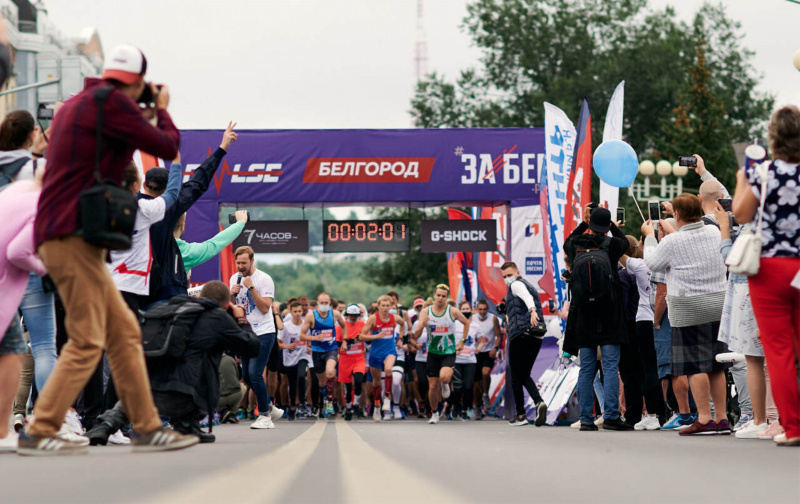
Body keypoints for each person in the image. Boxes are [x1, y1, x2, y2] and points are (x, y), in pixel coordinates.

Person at [24, 44, 197, 455]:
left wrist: (142, 109)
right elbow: (168, 145)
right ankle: (42, 427)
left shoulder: (76, 106)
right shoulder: (113, 105)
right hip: (74, 237)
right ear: (136, 81)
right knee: (87, 340)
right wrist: (163, 107)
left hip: (62, 233)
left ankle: (148, 426)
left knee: (122, 333)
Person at [85, 281, 260, 444]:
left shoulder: (171, 308)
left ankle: (105, 424)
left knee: (136, 400)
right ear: (226, 304)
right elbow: (251, 348)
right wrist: (240, 319)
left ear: (200, 297)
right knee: (204, 370)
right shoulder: (218, 316)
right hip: (188, 395)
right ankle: (188, 424)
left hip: (149, 386)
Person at [732, 105, 800, 447]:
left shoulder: (766, 173)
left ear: (774, 137)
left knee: (779, 350)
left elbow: (742, 213)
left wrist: (742, 177)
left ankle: (794, 427)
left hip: (771, 266)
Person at [643, 194, 730, 436]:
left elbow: (651, 263)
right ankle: (722, 418)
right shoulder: (714, 232)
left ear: (677, 215)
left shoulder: (672, 242)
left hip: (687, 306)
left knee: (694, 365)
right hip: (717, 302)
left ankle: (703, 418)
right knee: (716, 363)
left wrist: (650, 238)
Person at [144, 121, 238, 305]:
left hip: (132, 291)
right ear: (167, 190)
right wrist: (221, 149)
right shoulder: (166, 209)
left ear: (143, 185)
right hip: (166, 295)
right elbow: (197, 183)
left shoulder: (129, 208)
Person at [563, 206, 632, 431]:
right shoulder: (611, 245)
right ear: (607, 226)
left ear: (591, 225)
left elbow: (568, 240)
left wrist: (586, 222)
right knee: (611, 366)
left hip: (583, 314)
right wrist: (610, 225)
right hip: (609, 312)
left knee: (587, 369)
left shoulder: (576, 245)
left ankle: (586, 419)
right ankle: (611, 416)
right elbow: (626, 242)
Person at [0, 171, 50, 452]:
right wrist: (45, 267)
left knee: (14, 349)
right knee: (16, 350)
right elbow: (18, 251)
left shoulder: (16, 189)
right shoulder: (39, 205)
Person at [713, 204, 769, 439]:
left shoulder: (757, 224)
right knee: (755, 358)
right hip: (752, 291)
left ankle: (762, 419)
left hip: (752, 291)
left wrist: (725, 229)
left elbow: (733, 259)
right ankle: (762, 418)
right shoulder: (761, 222)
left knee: (756, 359)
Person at [229, 245, 282, 429]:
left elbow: (265, 308)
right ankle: (269, 406)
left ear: (252, 261)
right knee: (246, 376)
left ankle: (265, 416)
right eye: (238, 263)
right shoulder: (233, 279)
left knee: (255, 373)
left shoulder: (264, 279)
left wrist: (250, 287)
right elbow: (233, 308)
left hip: (264, 331)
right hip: (245, 332)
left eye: (244, 263)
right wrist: (232, 296)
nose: (241, 267)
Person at [619, 237, 665, 430]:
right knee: (662, 368)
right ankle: (666, 413)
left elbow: (618, 253)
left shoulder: (638, 266)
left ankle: (652, 414)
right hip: (664, 317)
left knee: (647, 370)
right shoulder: (667, 261)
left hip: (644, 319)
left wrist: (611, 227)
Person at [413, 285, 470, 425]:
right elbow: (416, 336)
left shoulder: (453, 311)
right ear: (434, 295)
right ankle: (434, 413)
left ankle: (445, 384)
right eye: (438, 295)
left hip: (448, 352)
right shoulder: (426, 312)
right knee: (432, 386)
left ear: (446, 297)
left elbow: (466, 322)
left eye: (443, 296)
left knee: (444, 377)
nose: (440, 298)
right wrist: (421, 326)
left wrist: (462, 341)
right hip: (432, 352)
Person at [499, 262, 547, 427]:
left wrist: (532, 310)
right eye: (504, 276)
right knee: (524, 374)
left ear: (517, 272)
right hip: (535, 337)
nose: (507, 279)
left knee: (515, 376)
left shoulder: (517, 284)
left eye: (509, 275)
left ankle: (521, 415)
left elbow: (526, 298)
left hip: (521, 335)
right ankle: (539, 402)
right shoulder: (526, 285)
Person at [300, 292, 347, 418]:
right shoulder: (311, 316)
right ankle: (326, 399)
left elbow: (344, 326)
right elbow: (302, 335)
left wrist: (344, 341)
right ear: (318, 303)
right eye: (322, 303)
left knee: (330, 371)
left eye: (327, 303)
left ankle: (329, 401)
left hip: (331, 349)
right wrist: (314, 337)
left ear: (330, 303)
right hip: (317, 351)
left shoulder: (335, 314)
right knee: (321, 382)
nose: (324, 305)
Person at [360, 295, 406, 421]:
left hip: (390, 351)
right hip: (375, 354)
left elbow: (403, 324)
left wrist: (400, 339)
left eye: (387, 306)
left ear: (391, 306)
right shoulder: (372, 319)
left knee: (389, 370)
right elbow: (361, 336)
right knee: (375, 383)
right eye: (383, 306)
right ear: (378, 306)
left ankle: (387, 398)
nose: (385, 308)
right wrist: (375, 336)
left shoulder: (394, 318)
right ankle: (376, 406)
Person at [175, 208, 248, 275]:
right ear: (182, 226)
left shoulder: (164, 246)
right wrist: (240, 223)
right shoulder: (187, 252)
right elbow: (216, 243)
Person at [278, 301, 312, 420]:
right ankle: (292, 407)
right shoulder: (286, 326)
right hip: (289, 357)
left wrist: (309, 346)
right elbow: (278, 343)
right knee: (291, 384)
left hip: (302, 355)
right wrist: (287, 346)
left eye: (299, 311)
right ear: (291, 312)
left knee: (302, 376)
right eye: (295, 311)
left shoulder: (305, 324)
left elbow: (310, 339)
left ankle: (302, 404)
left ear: (302, 311)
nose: (297, 314)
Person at [472, 300, 501, 420]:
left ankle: (485, 395)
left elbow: (498, 335)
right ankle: (478, 408)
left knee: (486, 373)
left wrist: (495, 348)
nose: (483, 312)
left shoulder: (493, 318)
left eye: (485, 309)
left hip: (488, 352)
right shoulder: (472, 319)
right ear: (477, 309)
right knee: (476, 385)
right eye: (480, 309)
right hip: (475, 353)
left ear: (488, 309)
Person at [452, 301, 481, 421]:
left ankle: (466, 409)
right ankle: (455, 405)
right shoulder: (454, 325)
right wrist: (454, 349)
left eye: (467, 309)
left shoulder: (475, 326)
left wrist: (478, 348)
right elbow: (448, 340)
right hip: (457, 360)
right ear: (459, 311)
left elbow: (481, 341)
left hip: (470, 360)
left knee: (469, 386)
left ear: (471, 310)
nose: (465, 311)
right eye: (463, 309)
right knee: (458, 387)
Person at [338, 304, 367, 421]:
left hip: (359, 357)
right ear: (347, 315)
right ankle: (348, 408)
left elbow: (366, 338)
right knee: (348, 386)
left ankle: (356, 404)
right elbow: (337, 343)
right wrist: (351, 341)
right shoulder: (341, 326)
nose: (353, 318)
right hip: (345, 359)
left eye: (356, 316)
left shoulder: (362, 324)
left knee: (359, 380)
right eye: (351, 316)